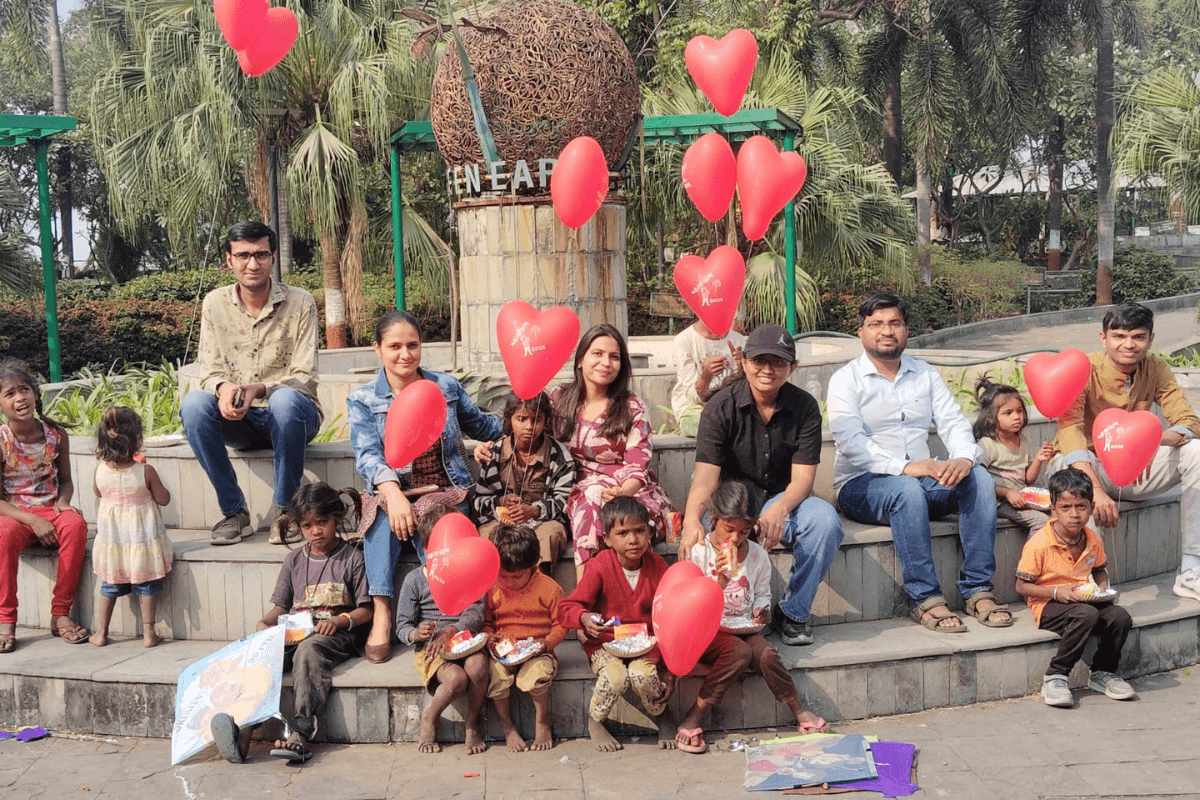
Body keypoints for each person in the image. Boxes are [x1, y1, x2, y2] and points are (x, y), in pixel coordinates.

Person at [828, 292, 1012, 633]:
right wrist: (907, 466)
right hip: (861, 487)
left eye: (895, 323)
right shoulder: (846, 379)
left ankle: (978, 589)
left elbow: (954, 422)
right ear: (861, 332)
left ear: (906, 330)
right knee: (907, 489)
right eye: (876, 324)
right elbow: (851, 442)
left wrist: (962, 457)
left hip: (921, 484)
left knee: (981, 480)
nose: (887, 331)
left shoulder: (924, 373)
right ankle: (926, 599)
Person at [348, 309, 501, 664]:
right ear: (377, 348)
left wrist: (522, 421)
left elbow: (481, 425)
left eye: (412, 345)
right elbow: (368, 456)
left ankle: (448, 614)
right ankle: (383, 615)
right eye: (395, 346)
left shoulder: (444, 387)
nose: (405, 354)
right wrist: (393, 493)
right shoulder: (363, 399)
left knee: (433, 519)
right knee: (381, 519)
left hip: (446, 489)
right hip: (394, 490)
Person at [680, 322, 844, 647]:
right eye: (759, 361)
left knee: (826, 522)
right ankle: (716, 618)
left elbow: (804, 479)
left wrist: (780, 508)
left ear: (792, 367)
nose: (767, 370)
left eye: (778, 362)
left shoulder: (805, 407)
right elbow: (705, 478)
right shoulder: (720, 407)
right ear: (743, 361)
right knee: (698, 539)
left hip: (783, 499)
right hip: (732, 505)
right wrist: (688, 520)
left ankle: (794, 613)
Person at [180, 221, 323, 546]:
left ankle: (287, 510)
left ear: (273, 257)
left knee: (284, 401)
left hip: (294, 415)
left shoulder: (301, 302)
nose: (252, 264)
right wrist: (224, 390)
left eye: (260, 254)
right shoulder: (214, 303)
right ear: (229, 260)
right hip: (239, 420)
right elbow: (210, 369)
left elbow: (305, 375)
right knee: (193, 405)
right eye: (243, 255)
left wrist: (259, 390)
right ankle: (234, 512)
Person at [210, 483, 371, 764]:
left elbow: (366, 610)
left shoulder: (352, 558)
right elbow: (280, 608)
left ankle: (301, 732)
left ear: (337, 519)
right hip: (296, 631)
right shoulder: (294, 560)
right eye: (308, 526)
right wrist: (263, 623)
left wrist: (340, 620)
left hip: (335, 635)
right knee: (262, 650)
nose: (316, 531)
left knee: (309, 651)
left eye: (323, 522)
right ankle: (245, 731)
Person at [1051, 302, 1200, 603]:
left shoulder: (1155, 367)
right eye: (1119, 336)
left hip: (1135, 468)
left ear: (1150, 340)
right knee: (1070, 473)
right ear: (1103, 338)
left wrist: (1149, 442)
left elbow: (1189, 421)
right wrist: (1094, 489)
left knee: (1196, 451)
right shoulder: (1085, 369)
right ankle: (1087, 579)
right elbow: (1069, 430)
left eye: (1138, 337)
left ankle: (1191, 569)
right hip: (1086, 465)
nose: (1128, 344)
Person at [687, 481, 831, 736]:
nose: (734, 538)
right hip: (710, 631)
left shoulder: (757, 555)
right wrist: (719, 581)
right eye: (728, 529)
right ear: (714, 519)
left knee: (766, 654)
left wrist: (761, 609)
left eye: (743, 532)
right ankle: (696, 713)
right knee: (740, 654)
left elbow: (762, 592)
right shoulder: (699, 553)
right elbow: (693, 607)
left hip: (743, 627)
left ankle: (798, 710)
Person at [551, 324, 673, 580]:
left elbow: (638, 463)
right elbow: (524, 425)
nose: (605, 362)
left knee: (619, 514)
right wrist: (489, 445)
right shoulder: (558, 399)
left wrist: (622, 494)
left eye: (614, 357)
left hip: (630, 489)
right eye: (597, 354)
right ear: (581, 359)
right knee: (590, 498)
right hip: (576, 493)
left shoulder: (631, 407)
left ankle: (625, 599)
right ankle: (589, 598)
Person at [559, 496, 676, 752]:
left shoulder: (657, 566)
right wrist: (584, 618)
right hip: (605, 643)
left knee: (642, 675)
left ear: (649, 532)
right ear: (607, 539)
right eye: (623, 533)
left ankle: (661, 713)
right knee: (616, 676)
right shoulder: (599, 565)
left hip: (645, 644)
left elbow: (671, 616)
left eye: (639, 531)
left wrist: (671, 671)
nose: (633, 539)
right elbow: (568, 607)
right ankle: (596, 720)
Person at [1016, 469, 1136, 708]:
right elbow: (1021, 585)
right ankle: (1056, 675)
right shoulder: (1040, 543)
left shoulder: (1092, 539)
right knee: (1087, 614)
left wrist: (1102, 587)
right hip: (1048, 601)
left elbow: (1099, 569)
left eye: (1081, 507)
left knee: (1119, 616)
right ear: (1054, 510)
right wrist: (1055, 593)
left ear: (1091, 508)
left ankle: (1103, 672)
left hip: (1082, 597)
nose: (1074, 515)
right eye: (1066, 508)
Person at [0, 359, 89, 651]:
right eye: (9, 394)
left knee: (76, 524)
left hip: (50, 508)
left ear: (35, 394)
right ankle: (5, 619)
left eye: (24, 389)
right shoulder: (2, 440)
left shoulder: (55, 434)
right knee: (4, 535)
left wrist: (63, 503)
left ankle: (60, 613)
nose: (19, 398)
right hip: (14, 513)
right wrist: (32, 521)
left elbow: (65, 480)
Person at [395, 503, 488, 755]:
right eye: (440, 549)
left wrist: (453, 629)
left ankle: (473, 719)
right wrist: (417, 633)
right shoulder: (415, 580)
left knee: (478, 667)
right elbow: (402, 626)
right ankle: (430, 716)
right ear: (425, 549)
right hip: (433, 649)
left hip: (464, 639)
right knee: (456, 679)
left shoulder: (468, 572)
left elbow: (476, 610)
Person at [89, 406, 173, 648]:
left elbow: (98, 492)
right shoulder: (145, 471)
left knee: (109, 587)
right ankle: (149, 634)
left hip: (114, 544)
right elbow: (163, 499)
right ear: (137, 440)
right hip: (141, 542)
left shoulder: (99, 471)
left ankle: (101, 632)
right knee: (147, 586)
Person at [483, 525, 565, 752]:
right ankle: (508, 728)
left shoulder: (549, 588)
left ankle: (542, 720)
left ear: (534, 567)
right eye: (504, 575)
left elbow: (562, 624)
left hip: (538, 651)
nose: (509, 581)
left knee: (536, 675)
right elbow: (487, 622)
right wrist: (491, 639)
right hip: (504, 653)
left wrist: (546, 644)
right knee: (495, 678)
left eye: (517, 576)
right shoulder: (493, 587)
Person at [474, 391, 574, 575]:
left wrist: (535, 511)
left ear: (545, 422)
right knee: (488, 536)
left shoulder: (559, 456)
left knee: (552, 533)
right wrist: (499, 503)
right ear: (509, 420)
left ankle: (539, 586)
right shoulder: (494, 452)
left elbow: (565, 502)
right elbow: (480, 500)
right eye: (521, 419)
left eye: (537, 420)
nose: (529, 426)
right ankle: (496, 593)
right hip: (501, 523)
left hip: (542, 523)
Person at [973, 376, 1055, 535]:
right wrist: (1008, 493)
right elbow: (977, 482)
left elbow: (1026, 480)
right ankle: (1031, 559)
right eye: (1008, 413)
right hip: (999, 501)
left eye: (1019, 411)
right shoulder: (988, 445)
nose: (1016, 417)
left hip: (1022, 497)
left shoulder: (1024, 441)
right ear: (991, 417)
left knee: (1057, 515)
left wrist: (1038, 459)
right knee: (1042, 522)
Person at [670, 319, 746, 437]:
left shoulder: (740, 340)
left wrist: (744, 366)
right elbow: (692, 397)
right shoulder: (684, 340)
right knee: (709, 424)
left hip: (730, 407)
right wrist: (706, 376)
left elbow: (746, 389)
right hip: (693, 408)